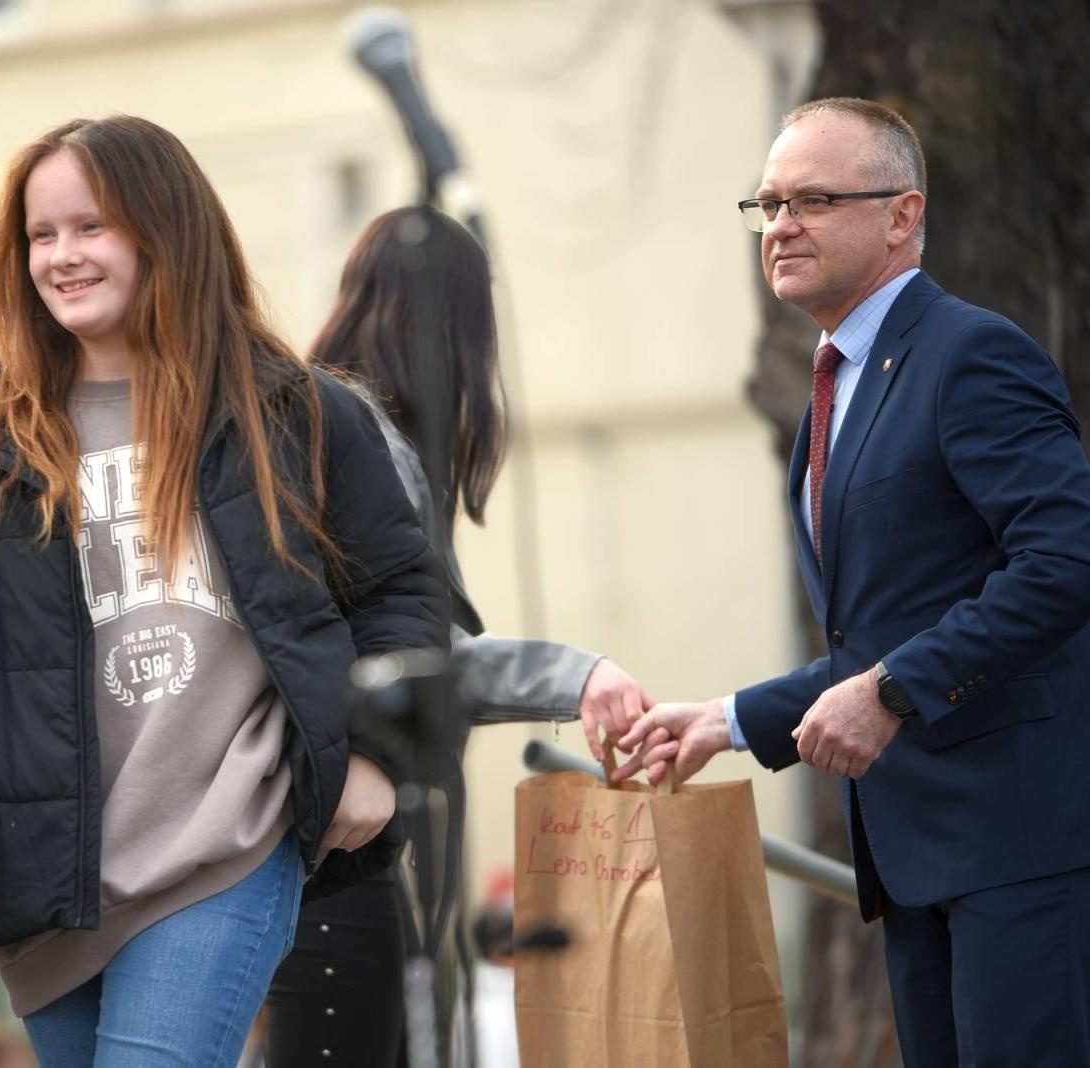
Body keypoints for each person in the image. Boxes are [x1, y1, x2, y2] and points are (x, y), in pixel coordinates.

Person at [0, 116, 450, 1068]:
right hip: (45, 878)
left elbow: (403, 594)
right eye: (40, 236)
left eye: (90, 227)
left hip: (226, 840)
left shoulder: (294, 412)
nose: (62, 256)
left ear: (164, 231)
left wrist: (377, 751)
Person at [614, 98, 1090, 1067]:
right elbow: (888, 629)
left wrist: (889, 692)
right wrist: (730, 719)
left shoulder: (969, 354)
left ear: (901, 215)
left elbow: (1068, 557)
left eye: (815, 199)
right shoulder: (837, 383)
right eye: (768, 204)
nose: (780, 225)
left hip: (1024, 855)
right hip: (916, 861)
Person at [264, 205, 653, 1066]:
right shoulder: (362, 439)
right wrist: (576, 675)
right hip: (326, 850)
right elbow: (407, 661)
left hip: (320, 844)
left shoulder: (323, 427)